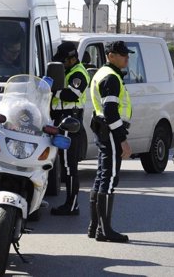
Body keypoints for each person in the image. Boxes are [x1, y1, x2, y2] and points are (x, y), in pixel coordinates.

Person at [87, 40, 133, 243]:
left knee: (101, 177)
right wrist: (122, 140)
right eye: (123, 55)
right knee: (109, 179)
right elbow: (111, 112)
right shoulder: (111, 77)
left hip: (103, 130)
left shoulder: (103, 74)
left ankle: (95, 227)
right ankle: (105, 231)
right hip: (112, 132)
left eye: (127, 55)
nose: (127, 58)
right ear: (110, 55)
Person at [50, 41, 90, 216]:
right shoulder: (67, 71)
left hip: (70, 123)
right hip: (61, 121)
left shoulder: (79, 73)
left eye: (64, 60)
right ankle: (70, 203)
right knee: (64, 165)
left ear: (72, 59)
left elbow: (72, 95)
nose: (61, 64)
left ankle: (72, 205)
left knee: (69, 166)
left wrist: (51, 90)